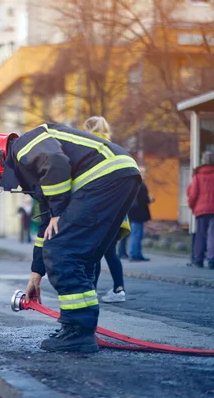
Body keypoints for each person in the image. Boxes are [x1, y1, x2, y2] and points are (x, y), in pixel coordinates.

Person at [0, 122, 141, 353]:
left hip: (104, 176)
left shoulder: (23, 146)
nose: (1, 184)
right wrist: (36, 273)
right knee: (82, 256)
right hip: (119, 175)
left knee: (63, 250)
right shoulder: (35, 171)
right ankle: (79, 328)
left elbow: (55, 161)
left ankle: (78, 330)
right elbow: (47, 226)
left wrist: (59, 210)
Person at [83, 116, 129, 303]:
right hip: (118, 210)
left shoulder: (92, 148)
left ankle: (91, 291)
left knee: (94, 251)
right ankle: (119, 289)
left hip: (101, 209)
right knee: (110, 251)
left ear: (88, 129)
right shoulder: (114, 147)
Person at [187, 151, 214, 269]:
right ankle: (212, 260)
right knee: (213, 235)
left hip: (200, 210)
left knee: (200, 235)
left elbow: (192, 193)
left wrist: (192, 206)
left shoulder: (197, 174)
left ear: (203, 160)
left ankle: (199, 260)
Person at [128, 167, 153, 262]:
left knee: (139, 234)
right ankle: (134, 254)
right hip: (137, 213)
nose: (144, 174)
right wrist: (149, 199)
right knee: (136, 234)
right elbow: (142, 199)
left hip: (137, 213)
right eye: (142, 172)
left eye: (144, 172)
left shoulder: (136, 183)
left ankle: (137, 254)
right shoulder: (138, 184)